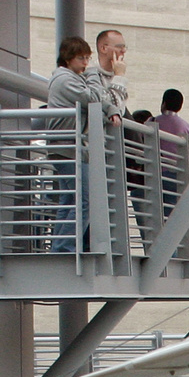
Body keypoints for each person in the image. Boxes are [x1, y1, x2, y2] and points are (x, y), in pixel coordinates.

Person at [46, 36, 113, 254]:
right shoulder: (66, 80)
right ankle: (65, 248)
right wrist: (94, 74)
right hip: (67, 147)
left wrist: (111, 110)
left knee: (71, 198)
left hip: (67, 147)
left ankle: (61, 246)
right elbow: (93, 98)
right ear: (68, 58)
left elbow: (99, 101)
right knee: (84, 199)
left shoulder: (70, 78)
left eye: (87, 58)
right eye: (81, 58)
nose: (86, 63)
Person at [154, 89, 189, 216]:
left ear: (164, 103)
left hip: (157, 173)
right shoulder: (184, 125)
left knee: (156, 211)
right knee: (173, 212)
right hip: (179, 174)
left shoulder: (153, 122)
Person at [86, 29, 128, 125]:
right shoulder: (89, 73)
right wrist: (120, 77)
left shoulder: (117, 72)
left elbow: (121, 111)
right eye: (119, 47)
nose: (123, 51)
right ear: (103, 48)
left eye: (124, 47)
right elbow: (114, 107)